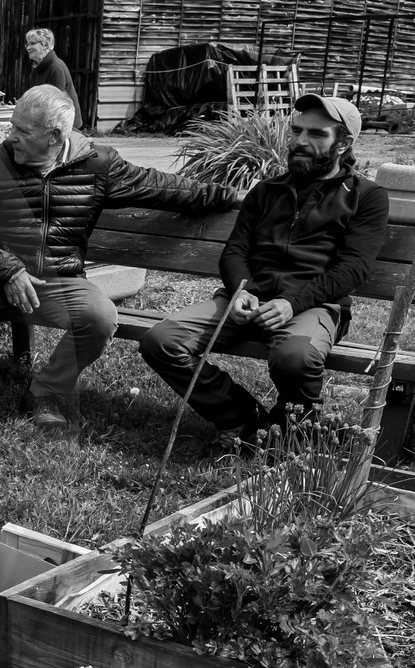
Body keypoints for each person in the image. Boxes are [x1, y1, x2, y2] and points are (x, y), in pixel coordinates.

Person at [0, 85, 241, 431]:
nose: (10, 136)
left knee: (101, 316)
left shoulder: (98, 165)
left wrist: (236, 197)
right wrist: (9, 270)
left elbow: (166, 189)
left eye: (22, 131)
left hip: (60, 280)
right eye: (12, 126)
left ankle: (44, 391)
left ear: (55, 136)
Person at [139, 94, 390, 445]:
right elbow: (236, 250)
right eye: (297, 131)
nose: (301, 142)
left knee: (295, 358)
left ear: (343, 143)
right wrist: (244, 290)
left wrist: (291, 303)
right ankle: (243, 417)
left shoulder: (365, 196)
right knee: (160, 341)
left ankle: (294, 434)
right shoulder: (267, 191)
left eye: (316, 134)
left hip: (312, 305)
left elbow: (351, 269)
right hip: (246, 298)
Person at [24, 28, 83, 127]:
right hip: (47, 120)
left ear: (45, 45)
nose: (28, 47)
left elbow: (56, 104)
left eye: (32, 43)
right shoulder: (37, 67)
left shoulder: (56, 67)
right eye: (27, 44)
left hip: (64, 125)